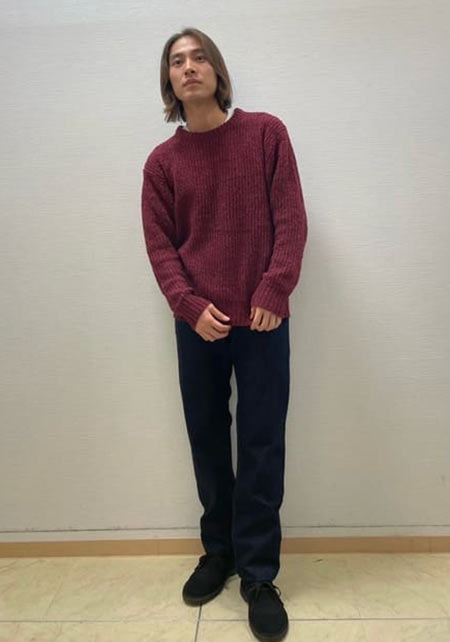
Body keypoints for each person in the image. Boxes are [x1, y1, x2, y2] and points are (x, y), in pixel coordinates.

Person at [141, 26, 308, 642]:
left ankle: (259, 575)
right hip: (199, 326)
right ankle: (220, 551)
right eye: (177, 61)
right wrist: (188, 306)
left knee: (262, 443)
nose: (189, 67)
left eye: (199, 57)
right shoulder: (161, 164)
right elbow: (161, 246)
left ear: (216, 70)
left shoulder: (266, 135)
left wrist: (273, 289)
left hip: (263, 320)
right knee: (208, 439)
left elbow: (291, 218)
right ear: (169, 82)